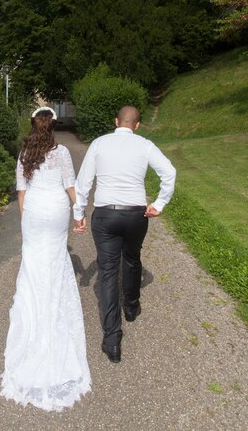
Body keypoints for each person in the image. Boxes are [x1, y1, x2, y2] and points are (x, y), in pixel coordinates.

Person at [1, 107, 91, 411]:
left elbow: (21, 190)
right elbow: (70, 185)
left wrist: (26, 220)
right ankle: (53, 309)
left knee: (33, 263)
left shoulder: (25, 151)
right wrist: (79, 214)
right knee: (55, 260)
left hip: (36, 210)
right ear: (52, 126)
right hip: (55, 211)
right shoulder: (61, 151)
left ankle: (35, 310)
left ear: (32, 125)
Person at [73, 105, 176, 364]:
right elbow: (170, 172)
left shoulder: (98, 143)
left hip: (106, 214)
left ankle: (112, 340)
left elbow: (84, 181)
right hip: (135, 214)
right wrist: (159, 204)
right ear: (137, 125)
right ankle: (131, 307)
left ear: (115, 121)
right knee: (132, 259)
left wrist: (79, 213)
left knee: (107, 272)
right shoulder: (145, 145)